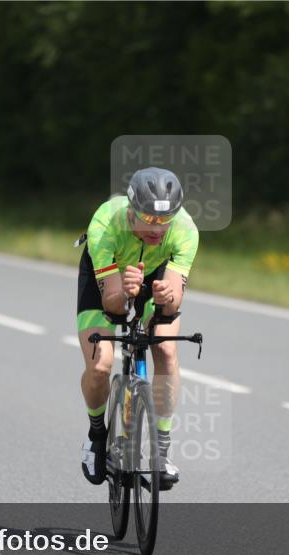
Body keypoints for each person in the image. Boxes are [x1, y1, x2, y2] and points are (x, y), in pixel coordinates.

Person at [77, 167, 199, 489]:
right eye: (150, 219)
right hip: (109, 276)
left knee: (166, 350)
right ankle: (96, 434)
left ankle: (161, 451)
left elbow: (170, 308)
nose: (159, 228)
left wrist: (166, 297)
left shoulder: (185, 230)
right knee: (101, 364)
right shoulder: (106, 224)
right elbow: (112, 306)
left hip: (155, 272)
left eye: (166, 219)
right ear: (132, 210)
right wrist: (125, 293)